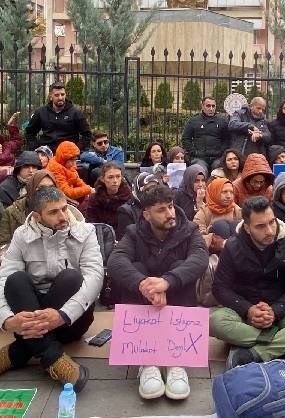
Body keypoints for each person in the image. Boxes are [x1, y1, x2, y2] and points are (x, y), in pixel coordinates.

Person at [0, 186, 104, 393]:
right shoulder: (22, 235)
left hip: (72, 319)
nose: (63, 216)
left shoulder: (85, 232)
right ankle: (54, 358)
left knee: (72, 277)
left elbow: (95, 278)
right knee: (15, 280)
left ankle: (15, 354)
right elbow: (1, 279)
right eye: (53, 212)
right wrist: (7, 320)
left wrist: (62, 315)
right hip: (31, 312)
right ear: (37, 216)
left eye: (64, 208)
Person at [108, 184, 208, 400]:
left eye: (170, 207)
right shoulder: (134, 233)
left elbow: (200, 259)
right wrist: (143, 283)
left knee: (183, 266)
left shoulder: (189, 230)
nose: (169, 213)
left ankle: (176, 361)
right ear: (146, 214)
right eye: (161, 210)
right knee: (135, 270)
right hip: (146, 301)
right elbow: (115, 261)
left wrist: (168, 281)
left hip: (176, 300)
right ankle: (147, 361)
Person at [210, 196, 285, 369]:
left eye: (272, 222)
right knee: (213, 323)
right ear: (248, 228)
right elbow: (220, 288)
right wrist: (248, 310)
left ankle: (253, 352)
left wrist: (275, 311)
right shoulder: (233, 247)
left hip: (280, 312)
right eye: (261, 226)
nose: (270, 231)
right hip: (241, 314)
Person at [0, 170, 58, 248]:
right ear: (32, 189)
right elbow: (2, 246)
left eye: (51, 187)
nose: (47, 192)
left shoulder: (65, 210)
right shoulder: (12, 212)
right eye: (41, 188)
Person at [25, 82, 92, 151]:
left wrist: (76, 149)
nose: (60, 98)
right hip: (46, 153)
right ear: (51, 97)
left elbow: (87, 135)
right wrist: (37, 148)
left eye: (62, 94)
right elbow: (30, 133)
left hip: (68, 154)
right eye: (56, 95)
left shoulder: (75, 112)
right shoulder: (41, 112)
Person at [193, 177, 243, 253]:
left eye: (231, 192)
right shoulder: (204, 211)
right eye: (224, 192)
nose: (229, 196)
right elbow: (197, 236)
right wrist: (219, 241)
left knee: (236, 225)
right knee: (220, 225)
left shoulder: (235, 209)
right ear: (215, 192)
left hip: (236, 250)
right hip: (215, 250)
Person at [181, 96, 228, 167]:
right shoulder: (193, 121)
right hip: (199, 158)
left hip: (217, 158)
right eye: (208, 106)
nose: (211, 109)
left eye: (213, 106)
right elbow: (186, 139)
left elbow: (227, 139)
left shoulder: (222, 121)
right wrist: (194, 152)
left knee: (218, 171)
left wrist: (221, 152)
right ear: (202, 106)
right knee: (198, 170)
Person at [84, 162, 132, 228]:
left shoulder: (129, 197)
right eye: (110, 177)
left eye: (118, 176)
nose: (115, 181)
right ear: (103, 179)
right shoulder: (95, 198)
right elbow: (91, 223)